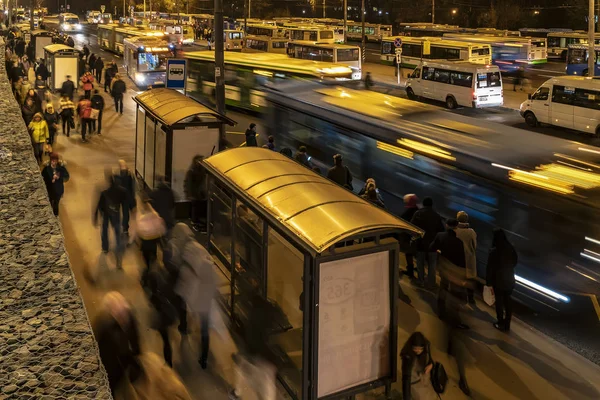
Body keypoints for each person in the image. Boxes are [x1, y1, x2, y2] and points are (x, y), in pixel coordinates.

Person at [169, 223, 216, 369]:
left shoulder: (183, 248)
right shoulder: (200, 248)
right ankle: (204, 358)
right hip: (205, 295)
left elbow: (175, 263)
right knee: (204, 327)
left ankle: (183, 326)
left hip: (190, 289)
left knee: (183, 307)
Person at [229, 286, 278, 400]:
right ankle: (237, 393)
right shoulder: (268, 313)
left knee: (242, 371)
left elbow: (250, 336)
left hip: (254, 353)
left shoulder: (253, 318)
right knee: (268, 382)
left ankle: (237, 393)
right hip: (266, 355)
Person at [93, 291, 141, 395]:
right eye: (119, 313)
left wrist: (137, 355)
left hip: (123, 361)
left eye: (124, 312)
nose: (123, 317)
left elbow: (135, 336)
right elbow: (98, 346)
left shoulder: (130, 316)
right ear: (111, 312)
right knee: (112, 386)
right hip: (111, 366)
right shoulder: (104, 326)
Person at [430, 219, 469, 330]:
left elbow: (431, 248)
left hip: (443, 268)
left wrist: (439, 251)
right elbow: (462, 260)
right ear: (456, 227)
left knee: (442, 289)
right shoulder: (459, 242)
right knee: (454, 294)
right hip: (455, 271)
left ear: (446, 225)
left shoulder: (440, 236)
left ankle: (441, 313)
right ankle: (455, 319)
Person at [486, 228, 518, 332]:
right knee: (508, 300)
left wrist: (488, 282)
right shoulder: (510, 248)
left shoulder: (494, 251)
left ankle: (500, 322)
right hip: (509, 278)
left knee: (499, 302)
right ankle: (507, 323)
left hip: (498, 280)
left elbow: (490, 268)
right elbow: (515, 261)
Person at [94, 168, 127, 265]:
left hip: (106, 214)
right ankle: (118, 252)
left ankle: (105, 248)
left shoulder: (104, 191)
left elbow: (99, 205)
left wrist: (95, 216)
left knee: (104, 230)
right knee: (117, 233)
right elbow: (124, 204)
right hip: (116, 214)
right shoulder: (121, 190)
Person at [411, 197, 445, 288]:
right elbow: (441, 230)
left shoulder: (418, 213)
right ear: (431, 205)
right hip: (432, 245)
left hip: (420, 243)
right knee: (432, 265)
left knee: (420, 263)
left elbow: (412, 226)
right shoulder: (437, 215)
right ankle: (431, 283)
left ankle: (421, 281)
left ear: (424, 204)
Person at [136, 200, 166, 285]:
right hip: (153, 243)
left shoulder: (141, 218)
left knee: (146, 260)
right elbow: (161, 229)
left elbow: (138, 231)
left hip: (145, 244)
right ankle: (152, 277)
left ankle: (145, 278)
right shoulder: (156, 216)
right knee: (153, 259)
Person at [401, 332, 436, 400]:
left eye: (420, 348)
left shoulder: (426, 348)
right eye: (415, 348)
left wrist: (431, 365)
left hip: (426, 382)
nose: (418, 351)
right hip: (415, 384)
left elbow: (430, 360)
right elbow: (406, 379)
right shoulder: (408, 358)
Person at [455, 211, 477, 304]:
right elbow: (475, 246)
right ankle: (471, 298)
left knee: (459, 277)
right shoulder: (471, 232)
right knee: (469, 279)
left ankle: (460, 297)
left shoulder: (455, 230)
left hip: (458, 258)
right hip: (469, 258)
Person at [184, 155, 207, 232]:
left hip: (201, 195)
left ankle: (199, 224)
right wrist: (190, 194)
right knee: (196, 209)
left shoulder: (200, 170)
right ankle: (195, 223)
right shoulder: (192, 171)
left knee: (199, 209)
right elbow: (188, 184)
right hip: (196, 195)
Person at [113, 160, 136, 235]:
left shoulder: (117, 175)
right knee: (130, 213)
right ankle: (131, 228)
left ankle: (125, 228)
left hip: (123, 198)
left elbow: (116, 187)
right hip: (128, 197)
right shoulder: (130, 174)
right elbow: (133, 187)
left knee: (125, 213)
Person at [401, 194, 420, 279]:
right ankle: (419, 269)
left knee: (408, 254)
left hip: (409, 236)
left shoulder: (408, 212)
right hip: (417, 237)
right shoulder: (418, 210)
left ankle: (410, 271)